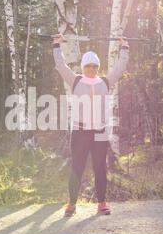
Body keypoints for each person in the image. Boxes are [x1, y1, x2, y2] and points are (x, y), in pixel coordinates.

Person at [52, 34, 129, 217]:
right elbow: (61, 66)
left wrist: (124, 48)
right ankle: (71, 204)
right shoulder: (76, 80)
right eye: (88, 65)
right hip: (80, 132)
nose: (92, 69)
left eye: (95, 66)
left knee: (100, 169)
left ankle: (102, 203)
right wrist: (56, 45)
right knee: (77, 168)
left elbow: (120, 68)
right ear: (83, 67)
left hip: (100, 133)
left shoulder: (105, 82)